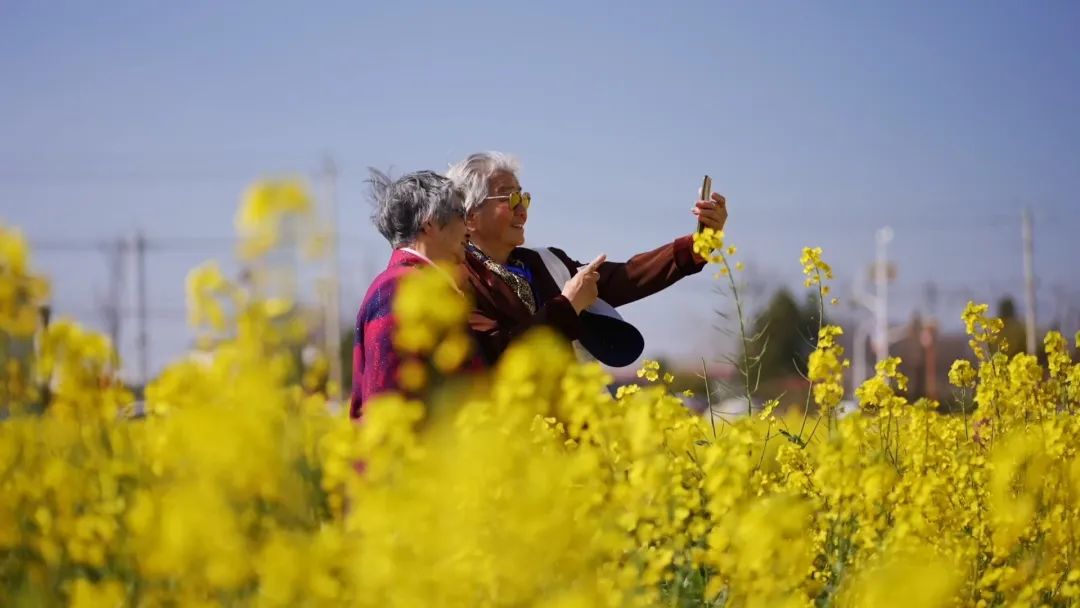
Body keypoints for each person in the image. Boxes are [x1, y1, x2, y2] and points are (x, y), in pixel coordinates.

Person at [446, 151, 728, 366]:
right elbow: (497, 356)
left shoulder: (544, 263)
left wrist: (699, 244)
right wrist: (567, 307)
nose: (522, 211)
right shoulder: (454, 280)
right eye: (510, 199)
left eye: (524, 198)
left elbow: (627, 277)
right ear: (470, 216)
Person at [350, 169, 469, 419]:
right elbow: (387, 403)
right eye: (461, 214)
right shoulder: (399, 288)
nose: (468, 229)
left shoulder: (410, 282)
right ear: (429, 223)